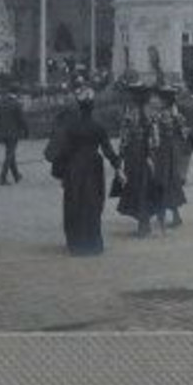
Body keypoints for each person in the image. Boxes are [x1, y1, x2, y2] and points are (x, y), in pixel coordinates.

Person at [50, 82, 120, 255]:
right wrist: (118, 165)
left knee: (74, 202)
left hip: (74, 166)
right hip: (94, 167)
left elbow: (64, 150)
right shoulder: (98, 127)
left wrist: (59, 171)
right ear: (92, 106)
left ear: (79, 105)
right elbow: (108, 150)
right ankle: (93, 241)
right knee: (93, 203)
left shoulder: (71, 127)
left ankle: (76, 242)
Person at [116, 79, 161, 237]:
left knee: (136, 187)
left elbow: (124, 138)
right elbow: (155, 139)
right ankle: (145, 221)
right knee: (147, 187)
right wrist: (152, 154)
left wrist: (120, 157)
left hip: (133, 155)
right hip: (148, 155)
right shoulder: (150, 113)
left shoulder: (129, 113)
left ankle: (143, 223)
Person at [151, 85, 188, 229]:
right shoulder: (177, 114)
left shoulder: (161, 115)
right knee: (171, 182)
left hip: (163, 151)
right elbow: (184, 134)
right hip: (173, 150)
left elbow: (154, 136)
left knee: (161, 181)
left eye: (160, 98)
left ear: (165, 100)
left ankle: (162, 215)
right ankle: (174, 215)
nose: (158, 100)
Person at [0, 89, 28, 185]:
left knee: (10, 153)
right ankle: (2, 177)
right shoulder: (16, 104)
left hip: (2, 133)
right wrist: (26, 131)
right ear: (17, 93)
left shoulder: (1, 103)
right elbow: (22, 119)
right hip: (13, 133)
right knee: (10, 154)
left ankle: (16, 175)